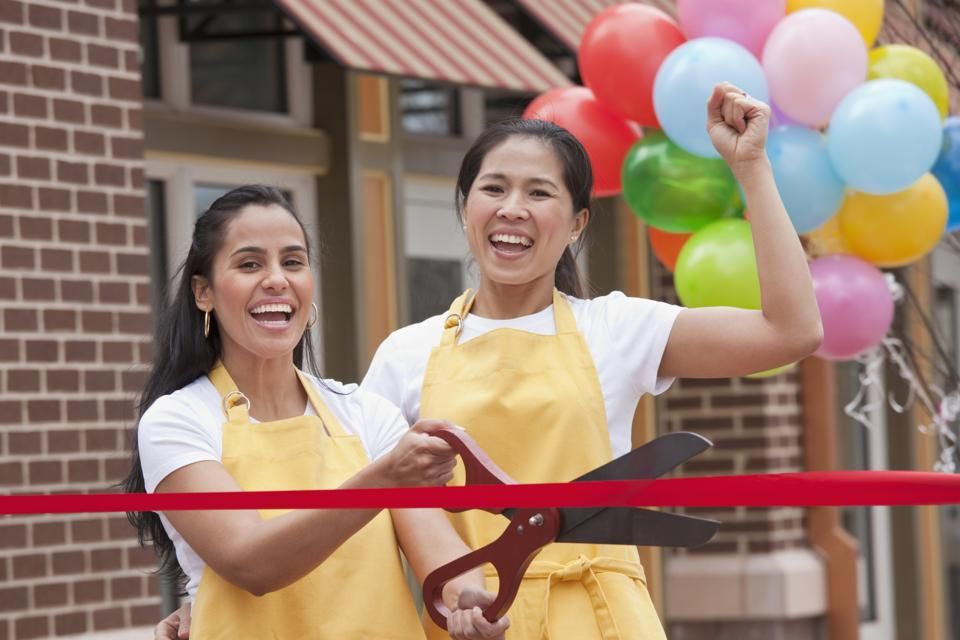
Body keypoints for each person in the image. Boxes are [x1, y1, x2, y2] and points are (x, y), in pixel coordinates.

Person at [361, 82, 823, 639]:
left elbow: (790, 331)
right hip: (473, 619)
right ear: (466, 209)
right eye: (494, 188)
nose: (513, 209)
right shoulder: (404, 354)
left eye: (539, 193)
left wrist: (751, 168)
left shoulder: (616, 328)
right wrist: (460, 590)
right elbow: (385, 500)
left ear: (578, 224)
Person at [125, 185, 509, 639]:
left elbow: (440, 555)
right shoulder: (178, 421)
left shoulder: (367, 414)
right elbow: (253, 562)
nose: (276, 279)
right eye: (250, 264)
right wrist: (381, 479)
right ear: (203, 292)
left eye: (292, 262)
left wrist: (466, 597)